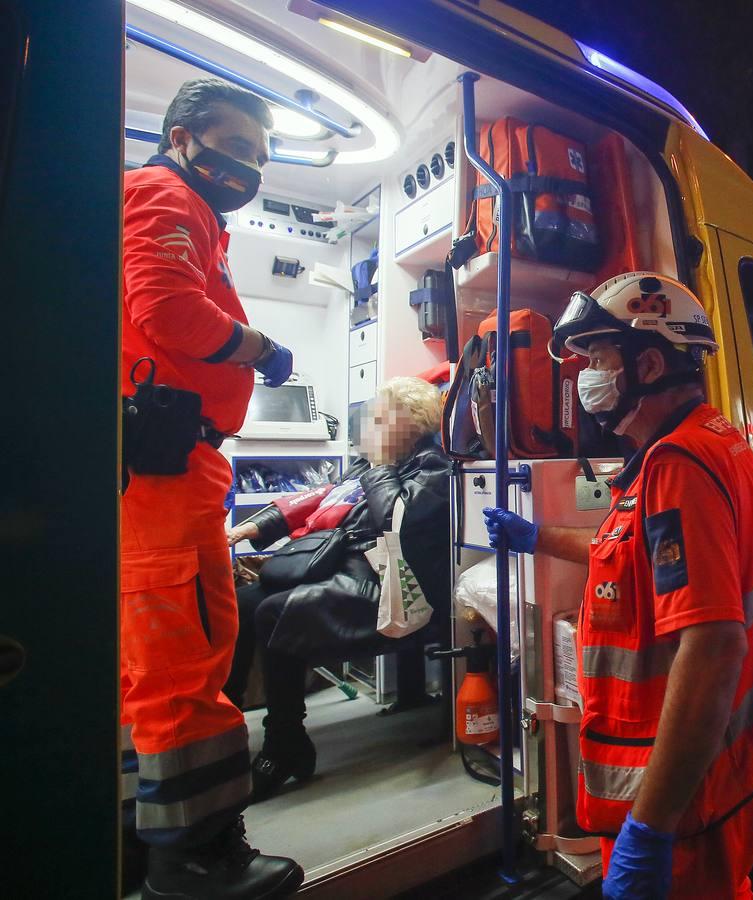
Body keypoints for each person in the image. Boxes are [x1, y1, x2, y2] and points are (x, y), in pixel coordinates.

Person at [484, 272, 753, 899]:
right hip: (699, 779)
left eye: (597, 356)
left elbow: (713, 646)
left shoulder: (678, 467)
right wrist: (535, 536)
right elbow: (628, 557)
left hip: (682, 794)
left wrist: (650, 824)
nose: (584, 374)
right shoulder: (699, 444)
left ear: (647, 363)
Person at [120, 78, 302, 899]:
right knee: (184, 662)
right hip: (163, 466)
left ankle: (148, 839)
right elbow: (166, 311)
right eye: (237, 146)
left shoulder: (185, 211)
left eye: (261, 155)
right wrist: (258, 345)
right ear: (184, 135)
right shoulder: (163, 194)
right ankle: (197, 863)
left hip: (167, 464)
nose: (248, 164)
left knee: (162, 660)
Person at [224, 376, 452, 802]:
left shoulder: (431, 465)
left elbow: (394, 522)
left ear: (413, 422)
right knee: (240, 603)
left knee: (274, 611)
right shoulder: (367, 465)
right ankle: (224, 728)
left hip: (387, 585)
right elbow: (325, 496)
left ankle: (284, 742)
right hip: (343, 565)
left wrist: (383, 465)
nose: (372, 426)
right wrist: (255, 525)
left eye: (383, 418)